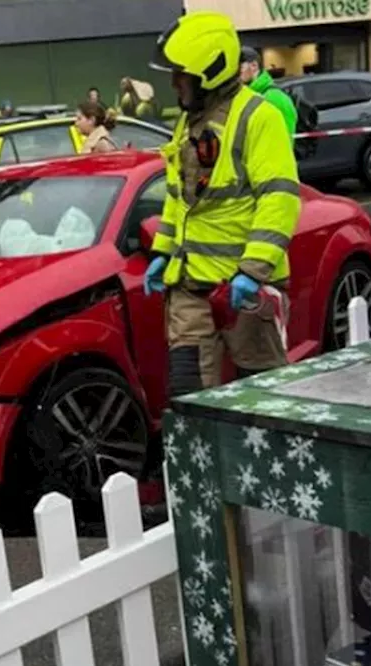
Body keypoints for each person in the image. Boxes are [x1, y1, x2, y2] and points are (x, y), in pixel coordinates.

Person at [143, 10, 300, 395]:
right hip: (190, 283)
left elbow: (279, 198)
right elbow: (179, 198)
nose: (174, 83)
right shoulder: (188, 122)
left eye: (181, 75)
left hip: (243, 287)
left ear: (209, 72)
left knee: (261, 394)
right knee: (189, 395)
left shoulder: (258, 117)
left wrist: (252, 270)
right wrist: (164, 250)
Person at [238, 46, 298, 136]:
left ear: (254, 66)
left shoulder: (275, 97)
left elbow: (285, 140)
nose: (236, 72)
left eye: (240, 67)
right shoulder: (246, 95)